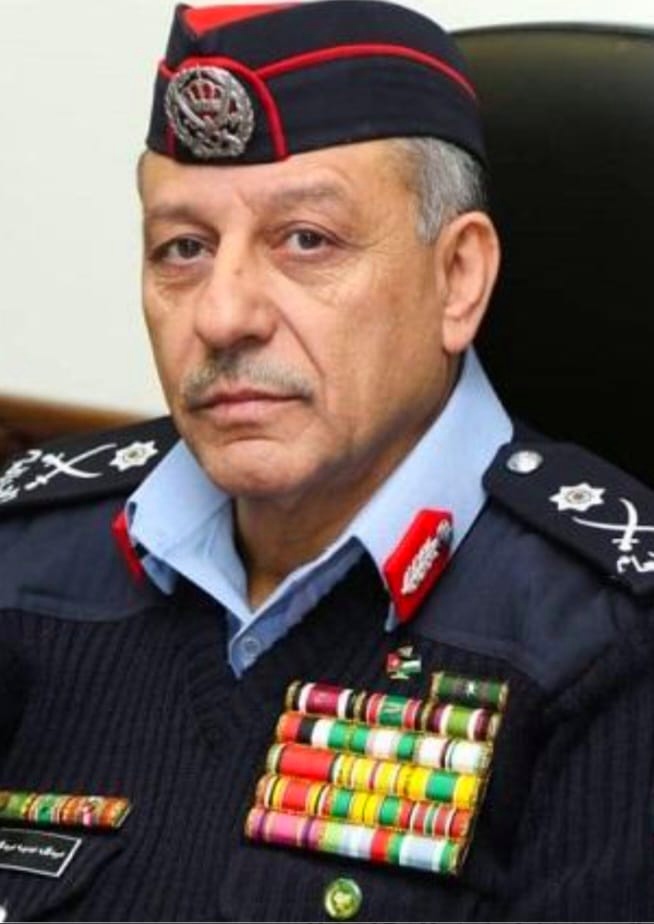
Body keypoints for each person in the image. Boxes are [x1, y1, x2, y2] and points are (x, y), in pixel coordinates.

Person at [0, 1, 653, 921]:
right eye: (183, 249)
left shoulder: (611, 645)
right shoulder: (23, 559)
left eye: (306, 240)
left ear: (457, 277)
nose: (223, 316)